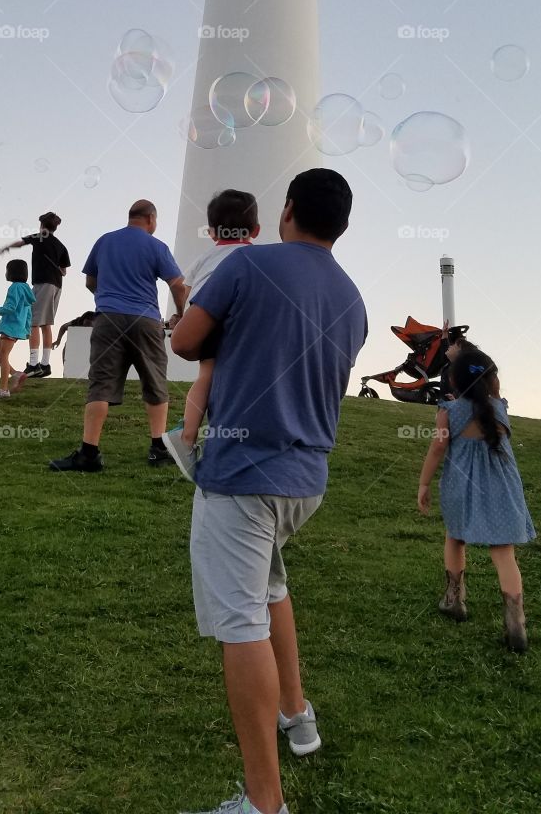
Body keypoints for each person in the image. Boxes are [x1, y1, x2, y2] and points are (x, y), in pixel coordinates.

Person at [170, 169, 367, 814]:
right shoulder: (353, 299)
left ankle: (264, 803)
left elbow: (184, 340)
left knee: (241, 625)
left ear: (288, 211)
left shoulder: (245, 267)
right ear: (340, 225)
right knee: (272, 588)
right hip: (306, 481)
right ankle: (296, 715)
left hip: (242, 477)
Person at [49, 199, 184, 472]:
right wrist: (180, 313)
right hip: (146, 320)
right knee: (155, 380)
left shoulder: (105, 241)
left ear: (130, 217)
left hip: (108, 319)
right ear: (151, 219)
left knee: (100, 383)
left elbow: (90, 280)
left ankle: (89, 453)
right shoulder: (156, 246)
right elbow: (177, 284)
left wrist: (107, 298)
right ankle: (158, 448)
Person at [417, 344, 535, 653]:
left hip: (461, 485)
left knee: (455, 538)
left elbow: (438, 448)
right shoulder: (500, 407)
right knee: (503, 552)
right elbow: (485, 386)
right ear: (493, 382)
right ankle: (515, 621)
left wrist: (424, 483)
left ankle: (455, 600)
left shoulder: (448, 411)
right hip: (503, 486)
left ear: (453, 382)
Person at [163, 189, 260, 478]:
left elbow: (186, 290)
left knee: (206, 375)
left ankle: (188, 436)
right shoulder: (256, 255)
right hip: (240, 322)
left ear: (212, 231)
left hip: (205, 319)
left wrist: (181, 317)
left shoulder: (204, 257)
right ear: (256, 229)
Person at [0, 212, 71, 379]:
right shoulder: (61, 246)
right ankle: (45, 365)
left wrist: (6, 247)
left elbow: (20, 243)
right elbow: (64, 271)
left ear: (41, 225)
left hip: (43, 283)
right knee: (46, 324)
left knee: (33, 322)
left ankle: (33, 365)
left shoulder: (39, 236)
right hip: (57, 285)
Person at [0, 260, 36, 400]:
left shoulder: (15, 288)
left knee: (3, 356)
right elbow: (28, 312)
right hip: (15, 328)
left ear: (13, 272)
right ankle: (16, 374)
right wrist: (26, 329)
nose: (6, 273)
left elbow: (10, 308)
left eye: (7, 270)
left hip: (11, 327)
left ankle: (3, 389)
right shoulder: (26, 289)